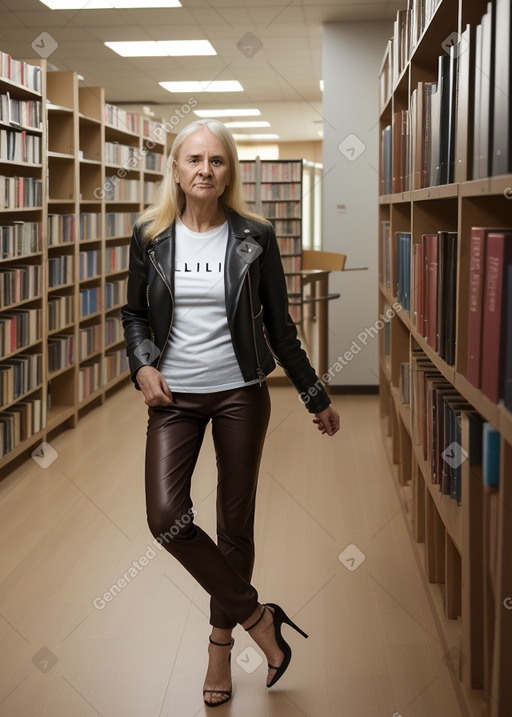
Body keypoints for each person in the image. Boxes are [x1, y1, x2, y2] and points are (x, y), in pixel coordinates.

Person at [121, 118, 340, 707]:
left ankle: (220, 650)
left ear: (229, 171)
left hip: (241, 391)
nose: (204, 171)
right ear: (176, 167)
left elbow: (280, 323)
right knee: (166, 517)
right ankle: (259, 618)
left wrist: (313, 393)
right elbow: (134, 315)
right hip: (173, 397)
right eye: (193, 160)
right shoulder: (148, 235)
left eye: (216, 161)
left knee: (234, 525)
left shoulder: (255, 236)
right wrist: (142, 364)